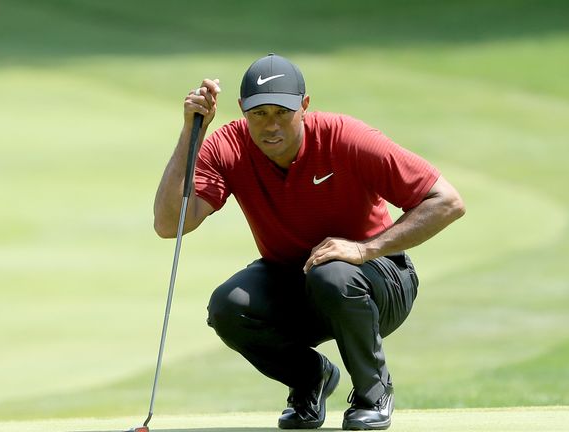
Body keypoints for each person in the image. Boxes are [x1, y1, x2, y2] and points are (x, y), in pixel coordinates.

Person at [153, 53, 465, 430]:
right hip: (295, 279)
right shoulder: (228, 146)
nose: (270, 126)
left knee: (332, 274)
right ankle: (310, 379)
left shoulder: (346, 138)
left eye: (281, 112)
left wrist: (365, 249)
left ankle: (373, 391)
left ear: (304, 106)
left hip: (380, 280)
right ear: (241, 110)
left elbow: (447, 201)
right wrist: (192, 132)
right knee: (227, 306)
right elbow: (170, 223)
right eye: (259, 114)